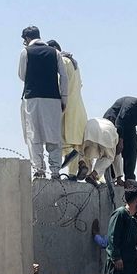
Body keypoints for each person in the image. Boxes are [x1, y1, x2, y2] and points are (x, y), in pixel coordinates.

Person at [18, 26, 68, 179]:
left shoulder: (26, 52)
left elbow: (22, 75)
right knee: (53, 136)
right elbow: (64, 77)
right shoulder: (55, 53)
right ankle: (55, 171)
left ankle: (39, 169)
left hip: (33, 98)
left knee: (35, 134)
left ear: (27, 39)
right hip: (53, 99)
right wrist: (64, 98)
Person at [46, 40, 87, 180]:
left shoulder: (61, 61)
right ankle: (72, 174)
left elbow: (59, 83)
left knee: (61, 140)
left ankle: (64, 165)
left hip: (67, 107)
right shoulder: (73, 62)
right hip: (79, 108)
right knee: (75, 142)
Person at [103, 96, 137, 182]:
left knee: (133, 145)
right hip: (113, 121)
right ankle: (112, 176)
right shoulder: (130, 105)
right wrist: (120, 140)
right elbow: (120, 122)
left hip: (129, 126)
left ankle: (130, 178)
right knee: (115, 146)